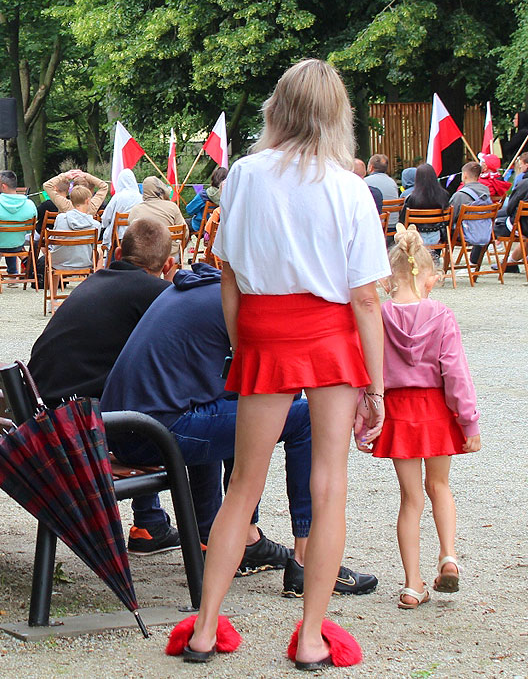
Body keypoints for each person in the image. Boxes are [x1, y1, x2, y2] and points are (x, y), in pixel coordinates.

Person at [173, 59, 389, 668]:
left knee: (243, 482)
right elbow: (365, 296)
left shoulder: (243, 174)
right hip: (329, 335)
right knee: (329, 486)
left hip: (264, 329)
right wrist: (376, 386)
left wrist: (244, 345)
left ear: (278, 108)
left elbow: (230, 274)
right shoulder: (350, 186)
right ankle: (314, 635)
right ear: (336, 116)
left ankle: (206, 627)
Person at [103, 263, 378, 592]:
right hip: (152, 431)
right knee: (300, 418)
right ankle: (307, 560)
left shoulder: (205, 290)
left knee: (241, 406)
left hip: (127, 427)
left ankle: (234, 539)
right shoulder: (248, 307)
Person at [27, 218, 181, 554]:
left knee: (132, 397)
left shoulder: (94, 282)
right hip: (80, 427)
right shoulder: (157, 293)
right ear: (168, 264)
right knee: (176, 411)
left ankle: (151, 524)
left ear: (115, 252)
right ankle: (192, 530)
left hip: (41, 415)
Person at [373, 226, 481, 609]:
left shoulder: (380, 316)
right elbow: (455, 373)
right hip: (436, 411)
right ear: (430, 279)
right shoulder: (441, 315)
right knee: (440, 487)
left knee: (410, 498)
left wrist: (363, 420)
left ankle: (411, 583)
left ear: (389, 278)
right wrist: (468, 422)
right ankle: (449, 555)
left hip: (398, 414)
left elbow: (368, 371)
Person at [0, 171, 38, 277]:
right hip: (18, 244)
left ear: (3, 186)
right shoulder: (30, 205)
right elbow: (29, 230)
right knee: (10, 237)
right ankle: (12, 273)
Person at [37, 184, 101, 284]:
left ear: (71, 201)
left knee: (52, 253)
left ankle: (53, 297)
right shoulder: (95, 225)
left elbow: (54, 240)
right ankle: (96, 284)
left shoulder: (60, 218)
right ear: (88, 201)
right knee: (99, 251)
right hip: (85, 262)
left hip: (58, 262)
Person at [447, 161, 492, 264]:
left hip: (464, 234)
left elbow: (450, 217)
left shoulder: (460, 195)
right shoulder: (486, 193)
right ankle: (474, 263)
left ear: (465, 175)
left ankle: (439, 265)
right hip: (484, 231)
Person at [402, 163, 450, 247]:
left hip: (416, 239)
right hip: (438, 237)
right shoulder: (444, 195)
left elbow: (403, 221)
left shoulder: (412, 198)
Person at [42, 169, 109, 217]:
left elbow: (47, 185)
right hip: (86, 236)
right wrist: (86, 175)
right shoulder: (92, 207)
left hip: (65, 236)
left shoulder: (66, 205)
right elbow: (104, 186)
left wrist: (65, 175)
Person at [101, 168, 142, 246]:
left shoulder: (118, 197)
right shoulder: (141, 197)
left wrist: (103, 225)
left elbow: (107, 216)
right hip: (137, 235)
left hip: (118, 237)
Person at [185, 166, 227, 234]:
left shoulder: (204, 195)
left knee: (183, 223)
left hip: (199, 226)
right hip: (218, 228)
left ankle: (180, 244)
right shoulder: (228, 197)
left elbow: (189, 210)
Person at [365, 154, 400, 225]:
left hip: (377, 226)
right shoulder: (392, 182)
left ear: (371, 167)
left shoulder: (365, 182)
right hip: (393, 224)